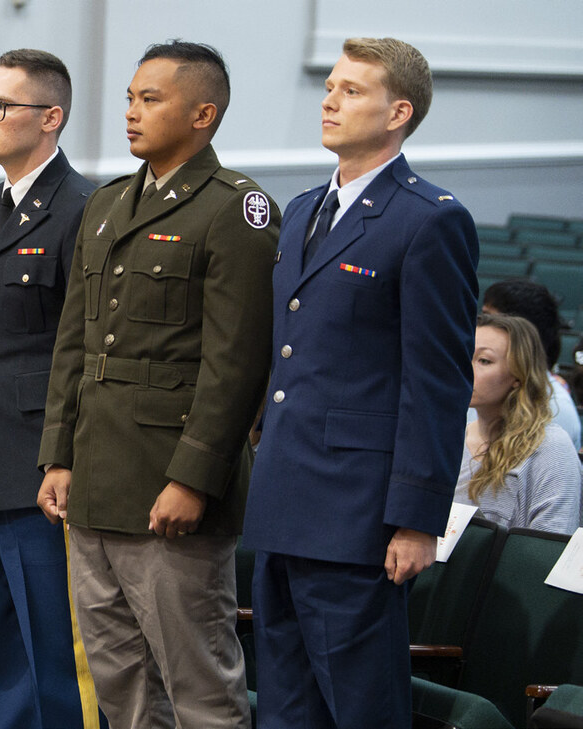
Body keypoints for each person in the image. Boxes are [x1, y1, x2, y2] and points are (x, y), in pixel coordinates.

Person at [37, 41, 278, 728]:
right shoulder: (110, 203)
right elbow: (75, 343)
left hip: (170, 483)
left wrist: (195, 478)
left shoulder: (234, 209)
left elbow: (236, 365)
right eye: (130, 98)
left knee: (197, 678)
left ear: (203, 114)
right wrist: (58, 453)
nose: (132, 113)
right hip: (97, 480)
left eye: (151, 99)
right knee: (120, 675)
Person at [243, 38, 479, 729]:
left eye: (350, 90)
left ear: (397, 111)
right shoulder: (305, 207)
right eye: (330, 87)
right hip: (286, 495)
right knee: (286, 705)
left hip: (358, 513)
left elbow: (434, 379)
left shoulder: (429, 218)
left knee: (360, 707)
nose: (329, 100)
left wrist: (416, 516)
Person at [0, 49, 103, 729]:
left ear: (51, 118)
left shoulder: (81, 207)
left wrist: (64, 455)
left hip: (41, 457)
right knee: (0, 642)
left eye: (0, 106)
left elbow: (81, 344)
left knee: (57, 646)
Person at [456, 313, 581, 534]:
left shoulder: (551, 448)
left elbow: (547, 551)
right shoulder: (451, 434)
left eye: (484, 361)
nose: (467, 369)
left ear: (518, 374)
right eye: (466, 355)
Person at [481, 278, 581, 450]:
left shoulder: (553, 408)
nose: (482, 327)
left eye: (491, 319)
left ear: (524, 335)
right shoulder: (486, 391)